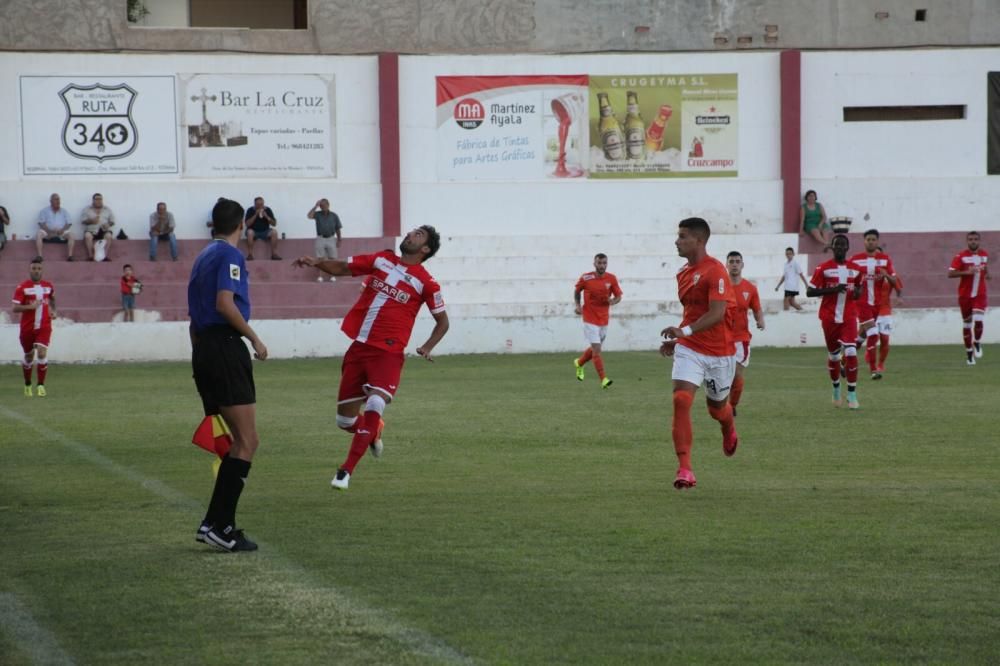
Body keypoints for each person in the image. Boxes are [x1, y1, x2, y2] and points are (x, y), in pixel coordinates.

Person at [292, 225, 449, 491]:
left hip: (388, 352)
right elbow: (343, 268)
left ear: (425, 250)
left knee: (376, 401)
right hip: (359, 349)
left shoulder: (427, 282)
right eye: (412, 232)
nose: (410, 235)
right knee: (345, 422)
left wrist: (426, 346)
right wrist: (316, 261)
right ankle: (373, 431)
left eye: (418, 235)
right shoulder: (382, 259)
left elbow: (443, 322)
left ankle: (345, 471)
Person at [188, 198, 269, 552]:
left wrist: (200, 356)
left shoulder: (202, 257)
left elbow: (194, 316)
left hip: (204, 348)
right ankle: (222, 526)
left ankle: (213, 523)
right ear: (243, 226)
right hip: (224, 345)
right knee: (247, 441)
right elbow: (225, 303)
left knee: (239, 441)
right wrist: (254, 338)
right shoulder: (230, 256)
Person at [659, 217, 739, 491]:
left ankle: (728, 425)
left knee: (717, 410)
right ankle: (685, 468)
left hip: (719, 353)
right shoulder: (682, 273)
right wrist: (680, 338)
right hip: (690, 349)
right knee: (681, 400)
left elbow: (716, 314)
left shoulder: (716, 271)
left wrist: (685, 332)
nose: (677, 241)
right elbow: (692, 313)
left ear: (699, 240)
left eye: (682, 236)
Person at [806, 234, 863, 409]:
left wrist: (857, 293)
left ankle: (852, 395)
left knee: (852, 352)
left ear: (847, 248)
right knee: (834, 355)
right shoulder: (823, 269)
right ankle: (836, 388)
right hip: (829, 317)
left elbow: (858, 287)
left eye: (842, 245)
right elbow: (810, 292)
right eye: (836, 244)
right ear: (831, 247)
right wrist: (834, 290)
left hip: (849, 316)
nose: (839, 247)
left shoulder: (856, 269)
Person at [849, 229, 898, 380]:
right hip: (861, 302)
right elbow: (849, 279)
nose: (870, 242)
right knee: (873, 334)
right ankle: (873, 370)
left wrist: (886, 275)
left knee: (862, 335)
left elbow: (895, 282)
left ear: (877, 242)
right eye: (868, 239)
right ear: (864, 241)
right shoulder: (855, 260)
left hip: (876, 304)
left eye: (873, 239)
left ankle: (844, 360)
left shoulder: (885, 259)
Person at [572, 253, 623, 388]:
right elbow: (577, 291)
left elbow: (618, 296)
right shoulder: (586, 277)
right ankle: (603, 379)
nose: (602, 266)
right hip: (589, 318)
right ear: (594, 264)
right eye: (599, 263)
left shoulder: (611, 279)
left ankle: (579, 363)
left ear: (607, 264)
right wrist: (577, 306)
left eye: (604, 263)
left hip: (603, 319)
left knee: (596, 348)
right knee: (597, 349)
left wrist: (613, 301)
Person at [725, 251, 765, 417]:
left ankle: (732, 405)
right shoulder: (720, 287)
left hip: (741, 339)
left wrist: (760, 320)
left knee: (736, 375)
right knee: (722, 375)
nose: (734, 264)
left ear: (742, 265)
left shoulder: (750, 288)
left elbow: (757, 308)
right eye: (731, 261)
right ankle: (720, 403)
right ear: (726, 265)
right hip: (721, 338)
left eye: (737, 261)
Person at [12, 256, 56, 397]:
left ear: (42, 270)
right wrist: (30, 306)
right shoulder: (22, 287)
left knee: (42, 352)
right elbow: (15, 308)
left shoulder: (48, 286)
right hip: (27, 327)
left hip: (44, 325)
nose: (36, 271)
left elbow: (52, 298)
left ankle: (41, 386)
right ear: (29, 270)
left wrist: (53, 310)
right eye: (34, 269)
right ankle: (27, 384)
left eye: (39, 269)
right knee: (29, 356)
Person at [948, 231, 990, 365]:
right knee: (967, 324)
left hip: (980, 293)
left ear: (979, 241)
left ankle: (977, 342)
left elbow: (985, 267)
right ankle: (969, 354)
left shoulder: (984, 255)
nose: (973, 241)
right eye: (971, 239)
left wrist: (987, 274)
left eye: (976, 239)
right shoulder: (960, 256)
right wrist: (967, 272)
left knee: (978, 318)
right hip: (965, 295)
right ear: (967, 241)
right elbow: (950, 273)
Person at [873, 260, 903, 376]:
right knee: (871, 337)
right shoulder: (869, 273)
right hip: (870, 311)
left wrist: (899, 297)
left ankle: (880, 364)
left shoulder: (889, 274)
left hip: (885, 311)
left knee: (884, 339)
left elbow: (898, 288)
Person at [307, 198, 342, 282]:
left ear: (328, 205)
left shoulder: (334, 215)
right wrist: (315, 206)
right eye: (321, 206)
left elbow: (338, 228)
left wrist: (339, 239)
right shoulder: (317, 214)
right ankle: (320, 276)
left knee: (332, 258)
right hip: (320, 238)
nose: (323, 207)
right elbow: (309, 216)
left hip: (331, 238)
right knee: (320, 258)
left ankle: (332, 276)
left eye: (325, 205)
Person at [35, 193, 76, 261]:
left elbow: (69, 223)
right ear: (51, 201)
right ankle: (39, 256)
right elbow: (41, 223)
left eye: (59, 199)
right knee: (39, 234)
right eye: (56, 199)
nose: (58, 201)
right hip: (47, 232)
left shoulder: (64, 211)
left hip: (61, 231)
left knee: (71, 235)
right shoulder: (44, 211)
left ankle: (70, 256)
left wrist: (62, 230)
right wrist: (49, 232)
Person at [244, 196, 281, 260]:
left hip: (265, 231)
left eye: (262, 204)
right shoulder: (250, 210)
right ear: (255, 204)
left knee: (274, 232)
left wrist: (267, 216)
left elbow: (274, 224)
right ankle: (250, 254)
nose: (260, 206)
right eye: (258, 204)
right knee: (249, 232)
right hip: (254, 231)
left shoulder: (267, 209)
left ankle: (274, 254)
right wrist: (255, 215)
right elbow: (247, 224)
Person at [81, 193, 115, 261]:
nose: (99, 201)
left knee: (108, 236)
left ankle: (104, 256)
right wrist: (91, 221)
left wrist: (108, 224)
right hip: (92, 230)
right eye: (97, 199)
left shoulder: (107, 209)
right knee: (87, 236)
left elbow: (112, 221)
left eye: (100, 199)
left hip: (104, 230)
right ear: (93, 200)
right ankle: (91, 256)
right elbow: (83, 221)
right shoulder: (87, 209)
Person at [774, 247, 809, 311]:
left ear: (793, 254)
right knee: (792, 302)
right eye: (787, 254)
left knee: (786, 300)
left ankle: (786, 315)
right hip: (787, 286)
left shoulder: (795, 263)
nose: (788, 255)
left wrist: (806, 285)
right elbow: (784, 276)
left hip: (792, 286)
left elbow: (801, 274)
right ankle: (802, 311)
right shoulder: (785, 264)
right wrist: (778, 286)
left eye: (790, 254)